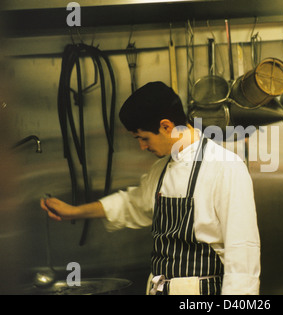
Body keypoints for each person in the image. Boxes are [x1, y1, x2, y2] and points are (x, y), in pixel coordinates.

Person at [40, 81, 260, 295]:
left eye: (143, 138)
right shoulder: (161, 169)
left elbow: (242, 252)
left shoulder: (225, 167)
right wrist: (75, 212)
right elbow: (132, 203)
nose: (142, 146)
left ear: (166, 126)